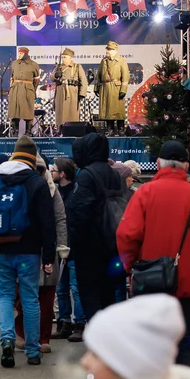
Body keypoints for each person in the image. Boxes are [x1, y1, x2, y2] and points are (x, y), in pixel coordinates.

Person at [116, 141, 190, 368]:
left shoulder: (144, 194)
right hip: (185, 282)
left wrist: (130, 266)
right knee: (183, 339)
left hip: (148, 279)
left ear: (157, 163)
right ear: (186, 165)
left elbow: (127, 235)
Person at [0, 136, 56, 368]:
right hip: (28, 252)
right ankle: (33, 351)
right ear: (32, 158)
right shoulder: (37, 183)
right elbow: (47, 222)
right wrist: (49, 255)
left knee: (3, 294)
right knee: (29, 296)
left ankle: (7, 340)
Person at [65, 132, 123, 322]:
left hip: (90, 249)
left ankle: (98, 344)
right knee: (109, 296)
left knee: (90, 297)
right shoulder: (114, 174)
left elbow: (79, 212)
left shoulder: (86, 176)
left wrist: (74, 244)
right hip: (113, 245)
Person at [14, 154, 69, 353]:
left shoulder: (52, 192)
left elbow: (60, 220)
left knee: (44, 295)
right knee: (27, 294)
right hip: (30, 248)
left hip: (45, 248)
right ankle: (24, 334)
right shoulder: (40, 189)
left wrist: (62, 247)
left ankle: (41, 337)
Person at [52, 157, 85, 342]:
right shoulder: (58, 193)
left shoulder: (74, 194)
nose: (52, 172)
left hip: (73, 247)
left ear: (63, 174)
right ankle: (64, 322)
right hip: (61, 247)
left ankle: (79, 323)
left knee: (75, 287)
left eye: (55, 169)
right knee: (61, 287)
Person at [96, 41, 129, 133]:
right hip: (105, 88)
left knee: (118, 110)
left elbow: (125, 76)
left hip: (116, 88)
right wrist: (96, 88)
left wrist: (123, 90)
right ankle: (109, 129)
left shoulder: (121, 61)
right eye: (107, 49)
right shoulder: (103, 61)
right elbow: (98, 75)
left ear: (114, 50)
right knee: (107, 110)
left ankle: (120, 129)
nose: (107, 50)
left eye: (109, 49)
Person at [8, 47, 40, 135]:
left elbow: (36, 80)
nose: (19, 55)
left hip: (28, 90)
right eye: (19, 53)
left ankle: (28, 132)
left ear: (26, 54)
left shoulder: (34, 65)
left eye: (21, 53)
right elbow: (11, 77)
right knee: (15, 111)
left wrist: (31, 89)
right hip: (15, 89)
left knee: (28, 112)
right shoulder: (14, 64)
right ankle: (15, 132)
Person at [54, 48, 88, 128]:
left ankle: (73, 128)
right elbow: (52, 77)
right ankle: (60, 128)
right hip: (60, 93)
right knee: (60, 112)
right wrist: (56, 75)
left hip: (72, 92)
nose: (63, 59)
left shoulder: (77, 67)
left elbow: (83, 81)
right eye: (62, 57)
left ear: (70, 58)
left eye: (65, 57)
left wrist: (82, 93)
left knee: (72, 112)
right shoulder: (58, 67)